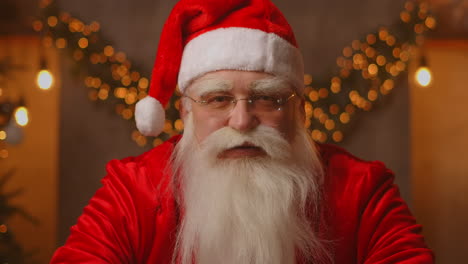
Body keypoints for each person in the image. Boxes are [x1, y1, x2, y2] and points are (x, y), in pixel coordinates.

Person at [51, 0, 434, 263]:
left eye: (267, 100)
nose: (241, 121)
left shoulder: (363, 190)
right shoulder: (132, 190)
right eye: (218, 99)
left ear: (299, 111)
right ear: (185, 110)